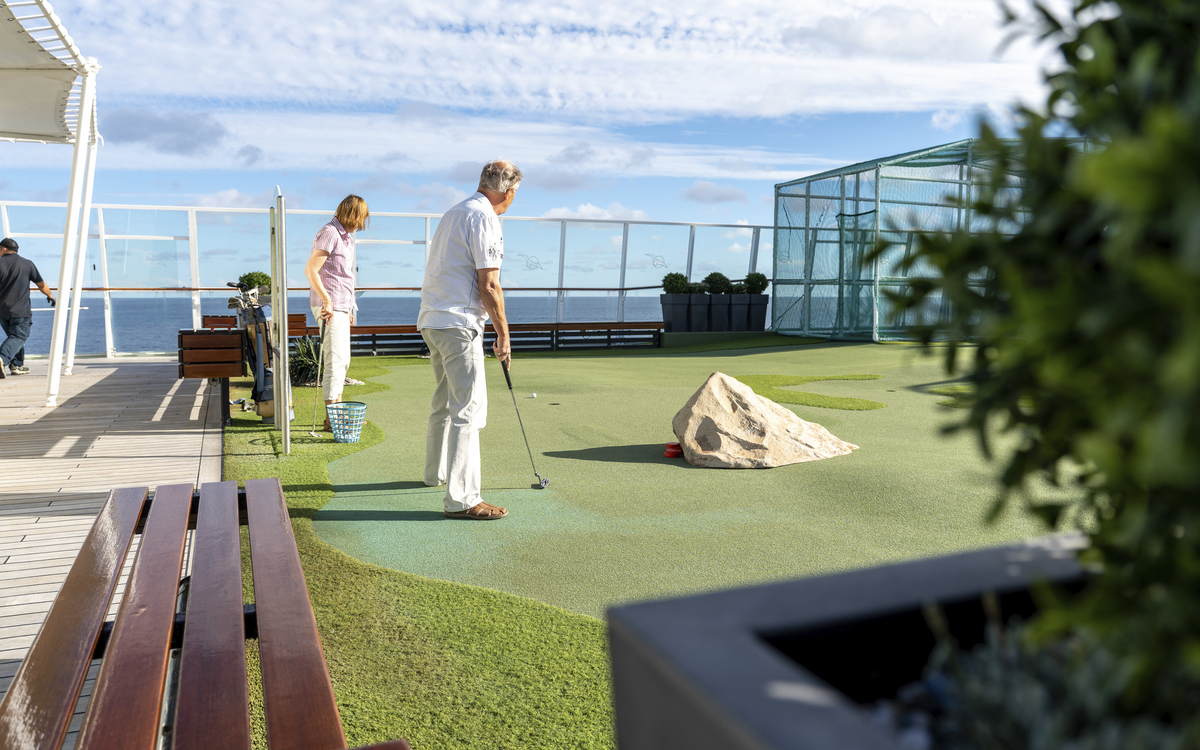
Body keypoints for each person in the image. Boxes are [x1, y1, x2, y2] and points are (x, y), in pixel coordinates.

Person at [418, 160, 521, 520]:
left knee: (445, 401)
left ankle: (435, 475)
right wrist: (504, 336)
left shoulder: (454, 212)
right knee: (468, 410)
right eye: (514, 195)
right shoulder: (486, 217)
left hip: (433, 319)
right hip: (459, 322)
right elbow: (489, 284)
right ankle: (462, 499)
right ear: (508, 192)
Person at [304, 195, 368, 429]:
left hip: (340, 305)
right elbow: (311, 269)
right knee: (335, 360)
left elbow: (344, 276)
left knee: (343, 361)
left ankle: (336, 412)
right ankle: (333, 418)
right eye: (358, 219)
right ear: (350, 214)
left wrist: (348, 306)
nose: (359, 225)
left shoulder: (347, 238)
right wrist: (327, 301)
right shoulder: (329, 233)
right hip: (328, 307)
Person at [0, 238, 54, 378]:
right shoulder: (27, 264)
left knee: (14, 337)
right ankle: (2, 359)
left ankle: (16, 365)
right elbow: (41, 284)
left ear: (4, 249)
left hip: (2, 311)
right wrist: (51, 296)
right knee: (18, 336)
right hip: (20, 310)